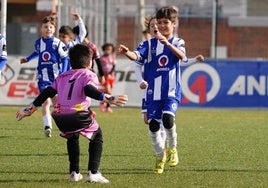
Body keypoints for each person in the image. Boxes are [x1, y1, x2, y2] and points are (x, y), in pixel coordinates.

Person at [16, 44, 128, 183]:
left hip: (59, 117)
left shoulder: (62, 76)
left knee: (72, 136)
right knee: (97, 136)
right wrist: (106, 97)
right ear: (89, 62)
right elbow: (88, 89)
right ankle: (93, 173)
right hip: (77, 115)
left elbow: (47, 92)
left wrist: (31, 109)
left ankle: (74, 173)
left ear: (70, 61)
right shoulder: (89, 74)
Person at [119, 6, 204, 174]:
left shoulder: (178, 42)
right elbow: (137, 57)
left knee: (168, 120)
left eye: (166, 23)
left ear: (174, 24)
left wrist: (167, 44)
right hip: (153, 93)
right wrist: (127, 52)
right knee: (152, 126)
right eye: (159, 23)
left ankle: (172, 148)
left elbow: (182, 57)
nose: (162, 26)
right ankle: (160, 155)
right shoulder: (148, 44)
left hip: (171, 91)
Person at [20, 16, 69, 138]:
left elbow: (65, 58)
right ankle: (47, 126)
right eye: (46, 27)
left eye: (51, 27)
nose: (48, 29)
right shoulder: (38, 43)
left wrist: (63, 73)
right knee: (46, 102)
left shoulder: (58, 43)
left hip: (56, 78)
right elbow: (37, 52)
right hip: (43, 78)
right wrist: (27, 59)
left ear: (54, 29)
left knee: (57, 103)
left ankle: (66, 127)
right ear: (41, 29)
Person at [99, 43, 116, 113]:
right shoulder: (101, 58)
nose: (107, 51)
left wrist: (110, 73)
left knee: (107, 92)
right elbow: (100, 68)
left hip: (111, 76)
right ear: (104, 50)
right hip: (105, 76)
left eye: (109, 50)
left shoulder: (113, 57)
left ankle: (102, 103)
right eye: (106, 49)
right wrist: (101, 75)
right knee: (108, 91)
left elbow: (114, 66)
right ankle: (108, 107)